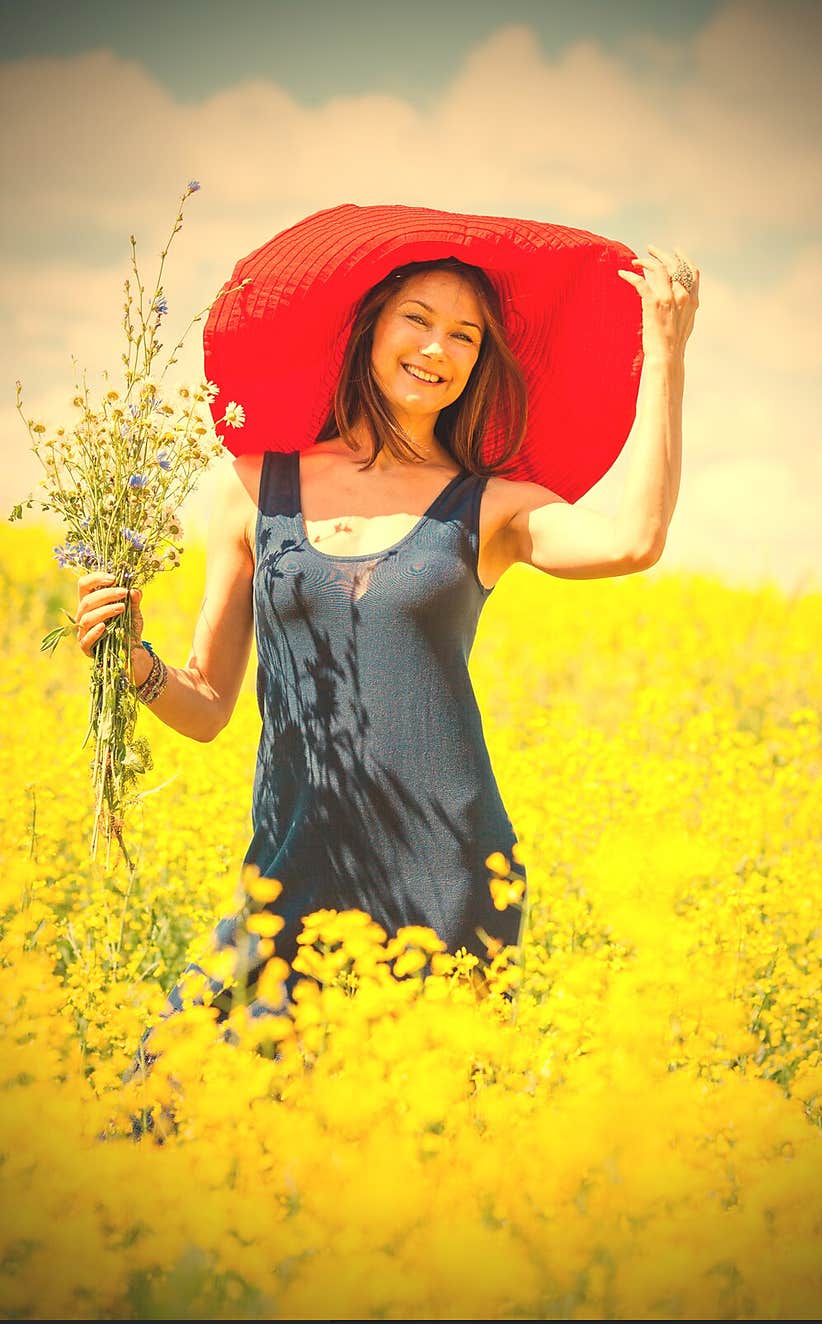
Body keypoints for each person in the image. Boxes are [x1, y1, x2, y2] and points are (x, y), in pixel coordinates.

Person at [74, 204, 699, 1076]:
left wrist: (666, 353)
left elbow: (633, 542)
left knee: (393, 1169)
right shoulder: (252, 485)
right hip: (292, 866)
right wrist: (128, 659)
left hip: (446, 871)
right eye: (418, 320)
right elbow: (209, 705)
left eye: (466, 337)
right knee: (173, 1103)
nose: (437, 350)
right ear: (371, 329)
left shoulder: (490, 507)